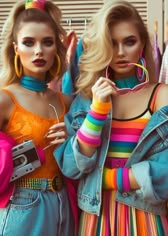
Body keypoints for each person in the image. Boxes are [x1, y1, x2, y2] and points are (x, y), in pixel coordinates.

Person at [54, 1, 168, 235]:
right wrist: (97, 110)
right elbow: (72, 167)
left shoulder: (161, 94)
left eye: (129, 41)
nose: (119, 52)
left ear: (143, 43)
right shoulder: (87, 96)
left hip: (144, 215)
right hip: (96, 215)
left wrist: (101, 177)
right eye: (111, 43)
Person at [0, 0, 75, 235]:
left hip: (65, 204)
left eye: (47, 42)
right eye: (29, 43)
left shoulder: (68, 102)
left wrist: (72, 139)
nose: (39, 51)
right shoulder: (5, 99)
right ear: (15, 48)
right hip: (23, 205)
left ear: (57, 48)